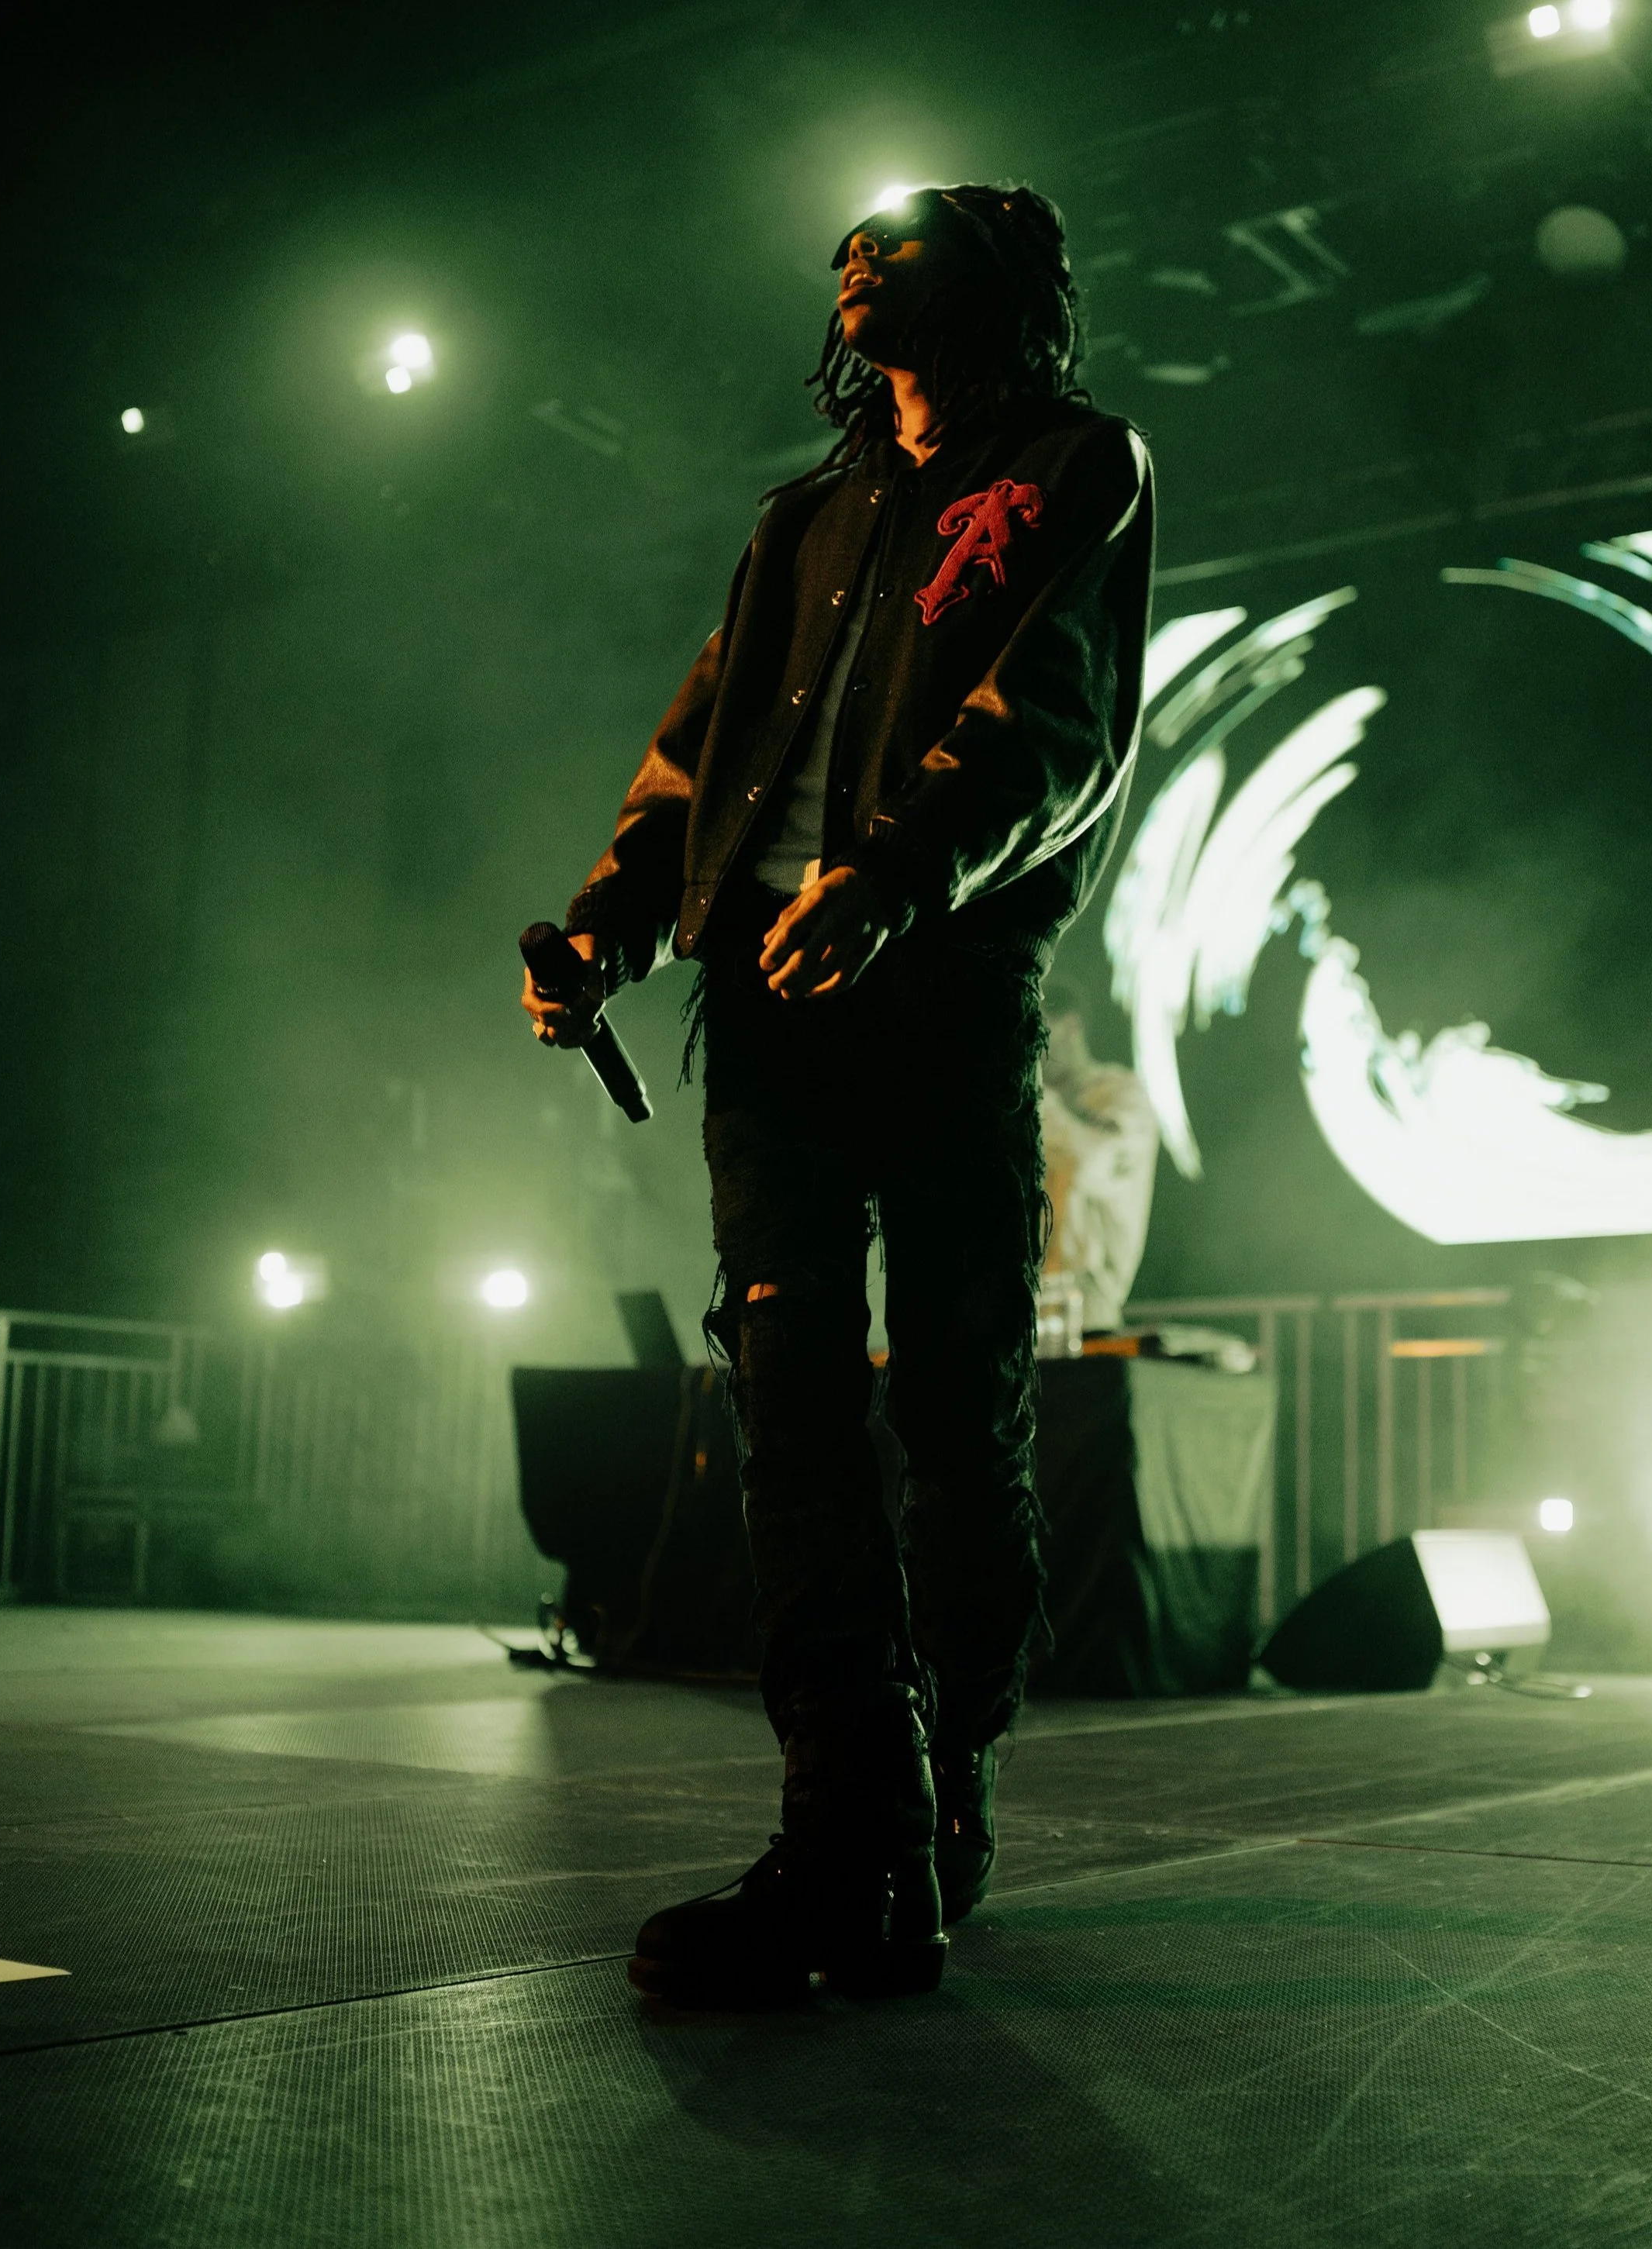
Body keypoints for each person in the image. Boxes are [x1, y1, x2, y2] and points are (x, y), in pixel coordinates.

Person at [524, 181, 1154, 2008]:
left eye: (903, 232)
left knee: (961, 1410)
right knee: (792, 1403)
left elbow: (1057, 716)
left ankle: (940, 1794)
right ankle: (850, 1836)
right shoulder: (802, 516)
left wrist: (895, 875)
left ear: (998, 279)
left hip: (943, 985)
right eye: (847, 242)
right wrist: (605, 931)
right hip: (767, 1006)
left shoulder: (1075, 465)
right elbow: (698, 752)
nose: (856, 255)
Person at [1040, 978, 1161, 1335]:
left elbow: (1092, 1165)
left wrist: (1035, 1098)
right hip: (1022, 1302)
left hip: (1088, 1300)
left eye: (1037, 1027)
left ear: (1071, 1026)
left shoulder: (1122, 1093)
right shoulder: (1025, 1107)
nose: (1027, 1043)